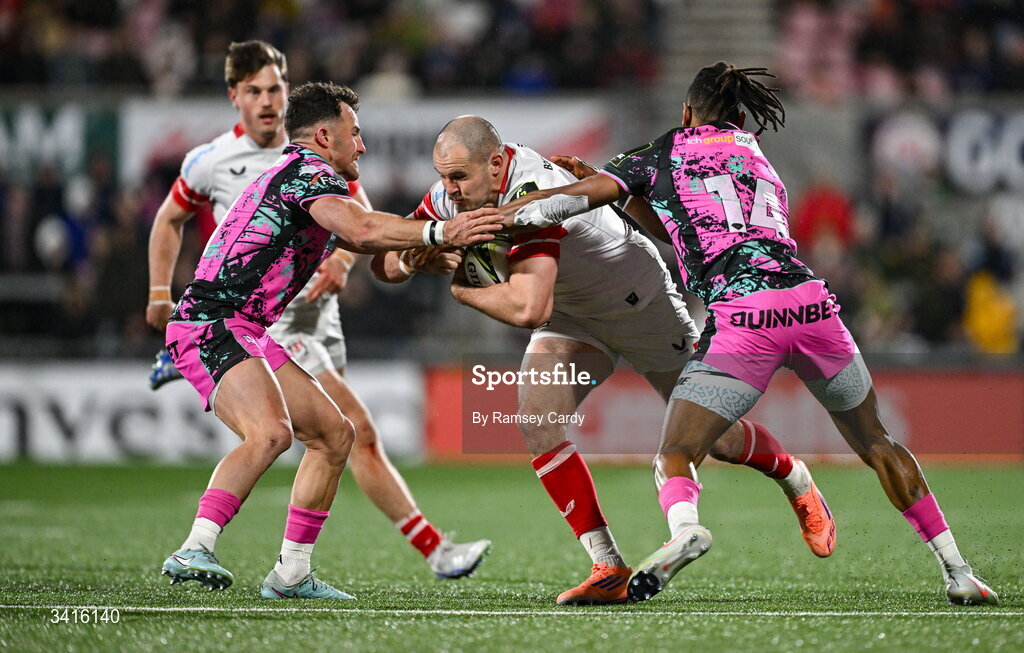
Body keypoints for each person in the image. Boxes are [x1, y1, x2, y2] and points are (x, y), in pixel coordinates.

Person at [498, 62, 998, 606]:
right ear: (740, 116)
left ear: (686, 112)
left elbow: (570, 202)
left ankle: (686, 530)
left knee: (677, 451)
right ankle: (958, 570)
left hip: (745, 317)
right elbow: (688, 230)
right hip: (812, 306)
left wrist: (503, 215)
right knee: (878, 442)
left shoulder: (663, 150)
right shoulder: (758, 160)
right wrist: (626, 193)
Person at [372, 116, 837, 605]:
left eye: (458, 178)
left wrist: (464, 291)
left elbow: (530, 308)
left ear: (495, 163)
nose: (449, 190)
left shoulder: (536, 190)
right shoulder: (453, 195)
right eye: (443, 177)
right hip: (573, 315)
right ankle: (608, 565)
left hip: (638, 301)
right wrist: (414, 255)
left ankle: (796, 477)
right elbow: (382, 262)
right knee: (538, 421)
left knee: (717, 439)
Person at [147, 42, 492, 582]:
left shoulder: (308, 178)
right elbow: (362, 229)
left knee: (336, 434)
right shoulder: (309, 172)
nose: (363, 143)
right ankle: (194, 547)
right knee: (270, 434)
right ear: (325, 136)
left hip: (247, 328)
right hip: (211, 321)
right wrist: (441, 229)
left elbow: (371, 246)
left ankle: (291, 574)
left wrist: (419, 257)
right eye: (355, 132)